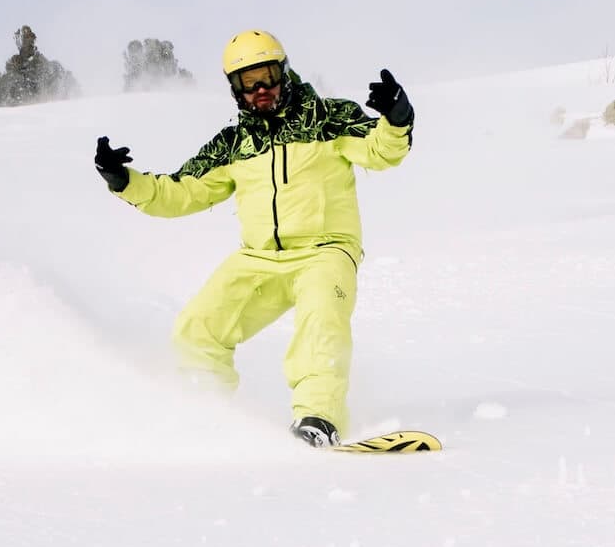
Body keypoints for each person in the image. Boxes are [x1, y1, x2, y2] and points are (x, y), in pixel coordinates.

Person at [93, 30, 413, 448]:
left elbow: (380, 150)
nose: (261, 90)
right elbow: (180, 191)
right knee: (199, 326)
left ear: (284, 71)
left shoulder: (328, 119)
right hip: (259, 258)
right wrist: (124, 182)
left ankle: (319, 419)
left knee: (320, 324)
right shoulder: (234, 144)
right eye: (248, 82)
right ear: (235, 89)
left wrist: (396, 119)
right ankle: (203, 410)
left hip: (325, 251)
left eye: (267, 76)